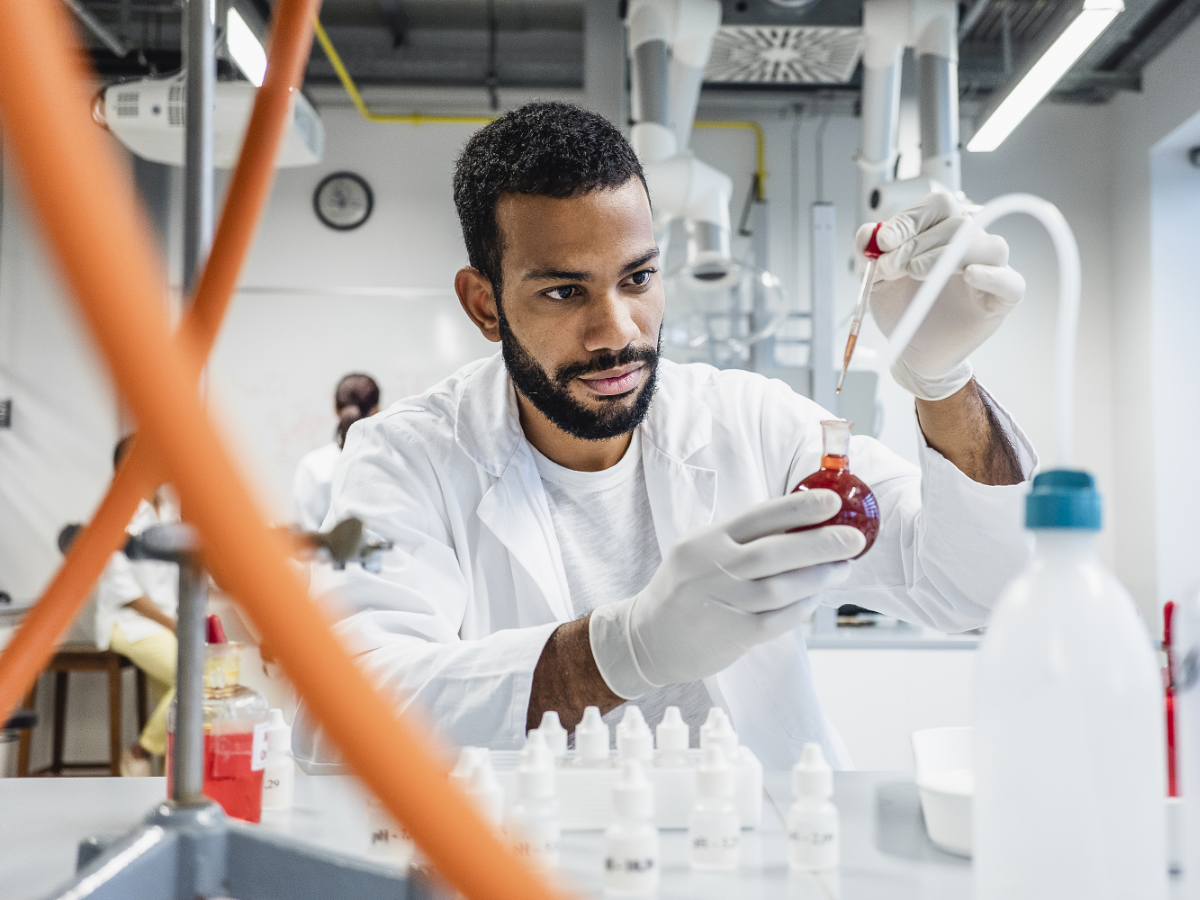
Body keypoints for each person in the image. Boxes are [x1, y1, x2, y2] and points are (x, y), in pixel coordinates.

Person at [294, 102, 1035, 772]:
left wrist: (945, 383)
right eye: (563, 290)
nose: (615, 331)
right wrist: (621, 651)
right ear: (484, 304)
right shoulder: (409, 457)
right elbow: (339, 715)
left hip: (760, 855)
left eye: (638, 279)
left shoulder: (754, 423)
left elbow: (976, 588)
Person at [95, 434, 179, 777]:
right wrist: (176, 625)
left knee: (184, 702)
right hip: (128, 622)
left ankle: (169, 779)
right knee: (197, 676)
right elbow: (126, 591)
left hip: (166, 622)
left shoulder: (168, 509)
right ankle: (139, 751)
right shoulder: (116, 513)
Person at [292, 373, 380, 531]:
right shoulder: (391, 460)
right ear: (376, 409)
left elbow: (309, 533)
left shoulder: (312, 465)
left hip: (326, 555)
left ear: (335, 408)